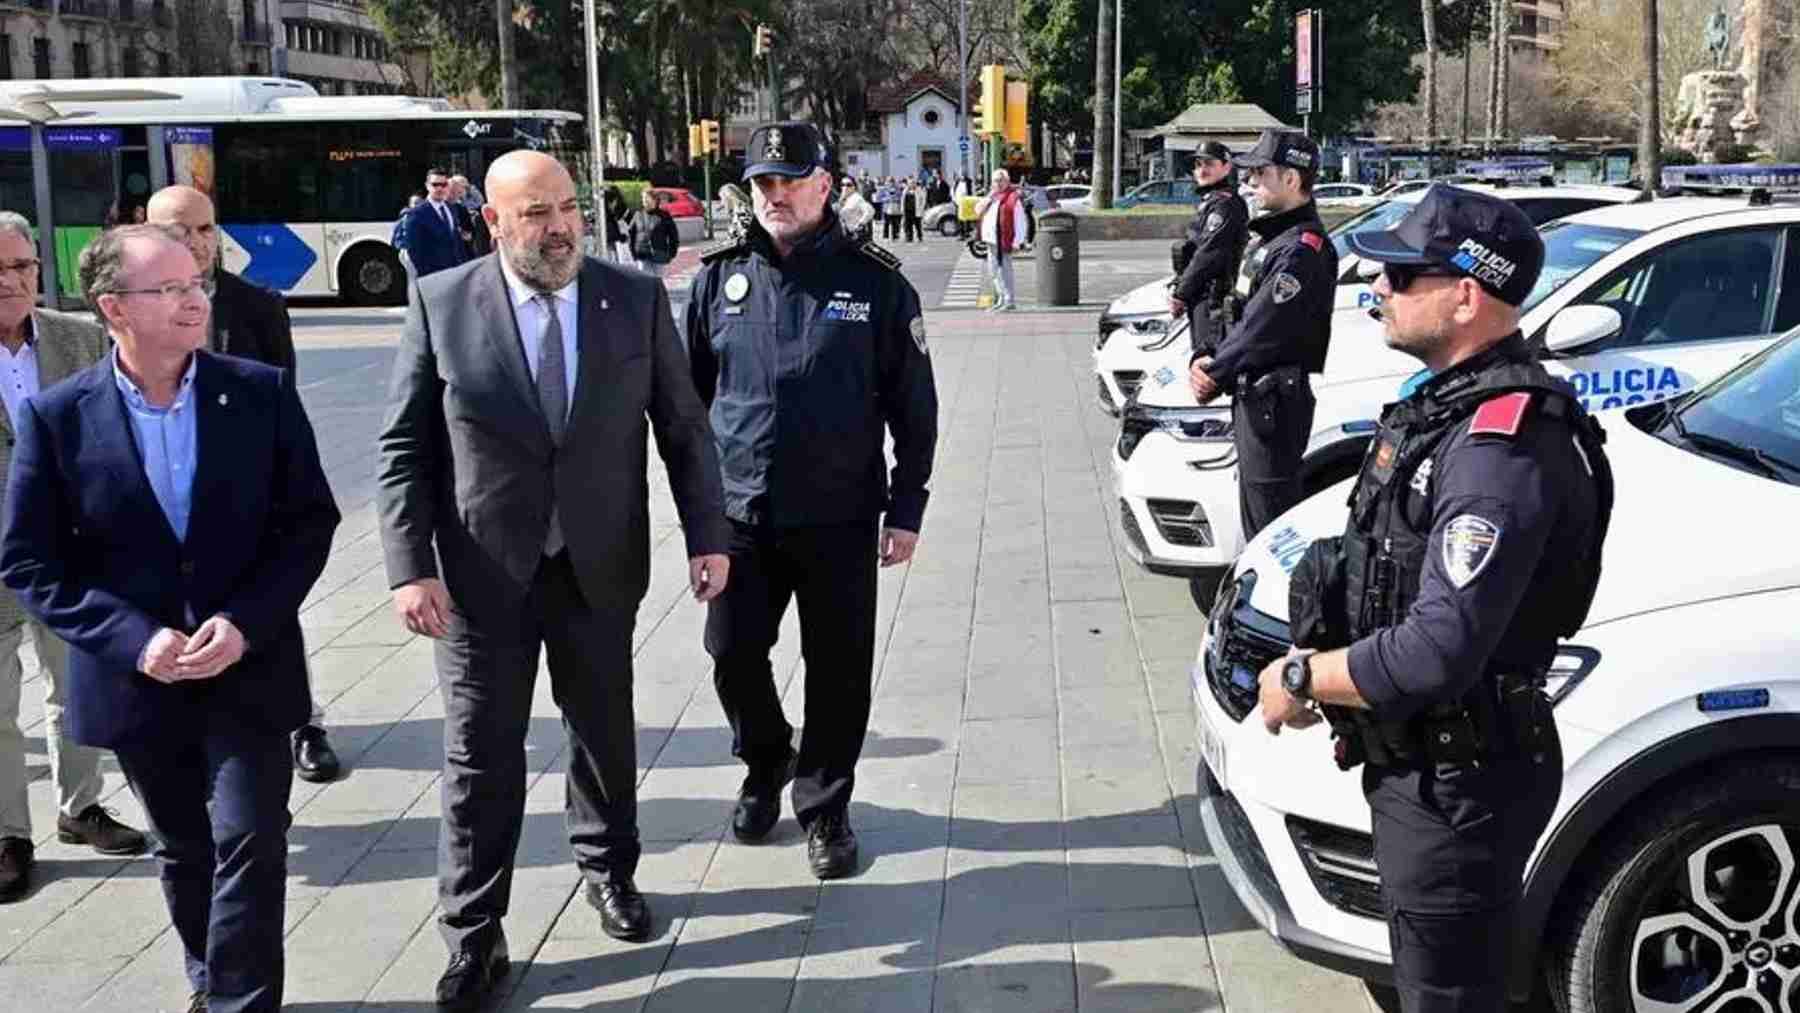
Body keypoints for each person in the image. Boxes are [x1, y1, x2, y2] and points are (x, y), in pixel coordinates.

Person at [376, 150, 730, 1011]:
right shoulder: (442, 301)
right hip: (480, 576)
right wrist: (409, 567)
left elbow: (684, 430)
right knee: (478, 757)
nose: (560, 226)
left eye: (568, 206)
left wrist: (707, 535)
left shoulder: (633, 298)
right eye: (535, 213)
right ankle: (473, 934)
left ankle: (609, 872)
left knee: (604, 731)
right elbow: (402, 448)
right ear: (493, 221)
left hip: (598, 565)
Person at [1265, 185, 1613, 1013]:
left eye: (1401, 274)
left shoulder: (1503, 444)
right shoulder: (1448, 411)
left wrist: (1308, 677)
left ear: (1467, 294)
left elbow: (1438, 647)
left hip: (1462, 781)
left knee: (1449, 996)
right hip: (1428, 768)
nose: (1377, 287)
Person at [1, 224, 340, 1013]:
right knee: (186, 847)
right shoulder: (59, 418)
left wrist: (246, 622)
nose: (195, 300)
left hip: (248, 669)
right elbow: (29, 564)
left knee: (252, 837)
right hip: (139, 682)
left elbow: (308, 525)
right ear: (114, 307)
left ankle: (236, 1002)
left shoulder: (258, 392)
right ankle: (208, 975)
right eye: (172, 289)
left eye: (198, 285)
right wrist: (136, 639)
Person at [684, 121, 937, 881]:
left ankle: (825, 803)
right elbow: (687, 407)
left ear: (827, 185)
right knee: (730, 653)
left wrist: (908, 507)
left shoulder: (878, 283)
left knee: (838, 668)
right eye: (763, 182)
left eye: (790, 180)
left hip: (839, 514)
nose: (775, 195)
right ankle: (765, 761)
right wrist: (699, 517)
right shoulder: (717, 279)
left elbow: (913, 407)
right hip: (741, 518)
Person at [145, 186, 344, 786]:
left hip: (249, 494)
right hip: (170, 496)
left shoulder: (256, 306)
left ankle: (303, 724)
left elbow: (285, 405)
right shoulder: (135, 308)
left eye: (206, 229)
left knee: (274, 608)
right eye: (180, 231)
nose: (197, 242)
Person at [0, 212, 147, 905]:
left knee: (75, 688)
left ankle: (80, 806)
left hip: (67, 556)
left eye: (22, 267)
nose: (12, 281)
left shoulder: (81, 338)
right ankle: (7, 835)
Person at [1188, 128, 1337, 539]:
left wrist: (1213, 371)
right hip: (1253, 393)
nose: (1250, 183)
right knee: (1255, 509)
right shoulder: (1269, 240)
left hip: (1273, 399)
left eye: (1261, 173)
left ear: (1292, 180)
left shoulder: (1301, 249)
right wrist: (1205, 352)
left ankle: (1275, 601)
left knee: (1269, 523)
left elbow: (1263, 325)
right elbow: (1237, 309)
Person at [1169, 143, 1249, 360]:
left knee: (1208, 365)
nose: (1202, 170)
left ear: (1226, 167)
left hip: (1213, 298)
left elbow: (1210, 253)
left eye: (1209, 164)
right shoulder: (1211, 202)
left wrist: (1180, 293)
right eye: (1198, 164)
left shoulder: (1225, 205)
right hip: (1202, 296)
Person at [401, 168, 471, 278]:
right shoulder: (416, 214)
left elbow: (456, 242)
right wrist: (429, 278)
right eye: (435, 184)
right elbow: (414, 252)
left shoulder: (452, 208)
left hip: (457, 275)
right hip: (434, 277)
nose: (440, 188)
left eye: (443, 184)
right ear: (427, 186)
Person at [976, 168, 1029, 312]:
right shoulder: (993, 197)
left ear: (1007, 181)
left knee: (1004, 271)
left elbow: (1020, 222)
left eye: (1001, 180)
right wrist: (989, 197)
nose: (998, 183)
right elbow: (978, 210)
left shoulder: (1012, 198)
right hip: (991, 240)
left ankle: (1008, 300)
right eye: (995, 180)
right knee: (993, 271)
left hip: (1003, 241)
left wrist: (1017, 242)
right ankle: (1001, 298)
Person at [626, 188, 680, 278]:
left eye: (647, 198)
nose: (645, 201)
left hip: (659, 254)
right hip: (642, 255)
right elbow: (631, 234)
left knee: (657, 282)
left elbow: (673, 235)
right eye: (643, 198)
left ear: (655, 200)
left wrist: (672, 253)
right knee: (645, 282)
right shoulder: (638, 215)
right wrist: (633, 253)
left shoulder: (664, 216)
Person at [450, 175, 492, 257]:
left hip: (473, 213)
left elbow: (480, 201)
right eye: (457, 184)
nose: (459, 186)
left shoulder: (472, 189)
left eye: (460, 183)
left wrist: (468, 208)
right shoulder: (453, 191)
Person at [836, 177, 876, 243]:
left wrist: (860, 224)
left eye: (848, 185)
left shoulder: (857, 198)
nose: (845, 187)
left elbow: (870, 211)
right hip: (844, 235)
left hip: (855, 235)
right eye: (842, 184)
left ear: (854, 187)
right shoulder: (843, 198)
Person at [902, 178, 925, 242]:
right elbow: (902, 201)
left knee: (918, 225)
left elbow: (923, 200)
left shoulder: (919, 190)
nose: (912, 184)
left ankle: (920, 236)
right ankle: (909, 237)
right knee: (908, 225)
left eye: (913, 183)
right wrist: (902, 209)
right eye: (910, 183)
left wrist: (921, 208)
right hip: (907, 210)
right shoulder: (905, 190)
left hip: (916, 210)